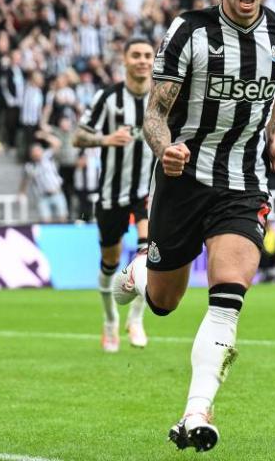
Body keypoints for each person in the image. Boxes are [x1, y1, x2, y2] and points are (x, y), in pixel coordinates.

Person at [112, 0, 275, 452]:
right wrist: (165, 147)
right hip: (183, 180)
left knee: (226, 301)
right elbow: (154, 111)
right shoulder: (189, 31)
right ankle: (142, 270)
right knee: (164, 302)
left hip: (243, 184)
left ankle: (196, 412)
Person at [73, 38, 155, 353]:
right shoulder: (107, 98)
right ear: (124, 60)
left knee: (148, 255)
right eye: (136, 55)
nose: (142, 61)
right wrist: (106, 139)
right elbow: (77, 137)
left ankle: (136, 319)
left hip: (148, 191)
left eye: (148, 55)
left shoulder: (162, 96)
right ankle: (110, 321)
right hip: (111, 194)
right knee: (109, 262)